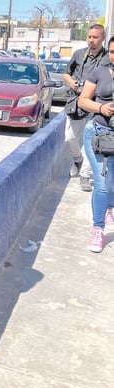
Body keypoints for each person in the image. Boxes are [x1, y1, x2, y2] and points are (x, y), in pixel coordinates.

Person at [78, 34, 114, 253]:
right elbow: (83, 100)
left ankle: (110, 207)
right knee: (101, 184)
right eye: (111, 51)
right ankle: (98, 230)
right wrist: (101, 108)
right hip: (99, 135)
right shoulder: (99, 72)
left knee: (112, 181)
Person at [63, 24, 106, 191]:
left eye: (95, 37)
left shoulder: (106, 59)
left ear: (102, 38)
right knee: (69, 137)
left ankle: (85, 176)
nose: (91, 40)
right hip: (76, 102)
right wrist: (72, 83)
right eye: (89, 37)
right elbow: (66, 73)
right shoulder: (79, 54)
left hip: (97, 104)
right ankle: (77, 159)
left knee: (91, 140)